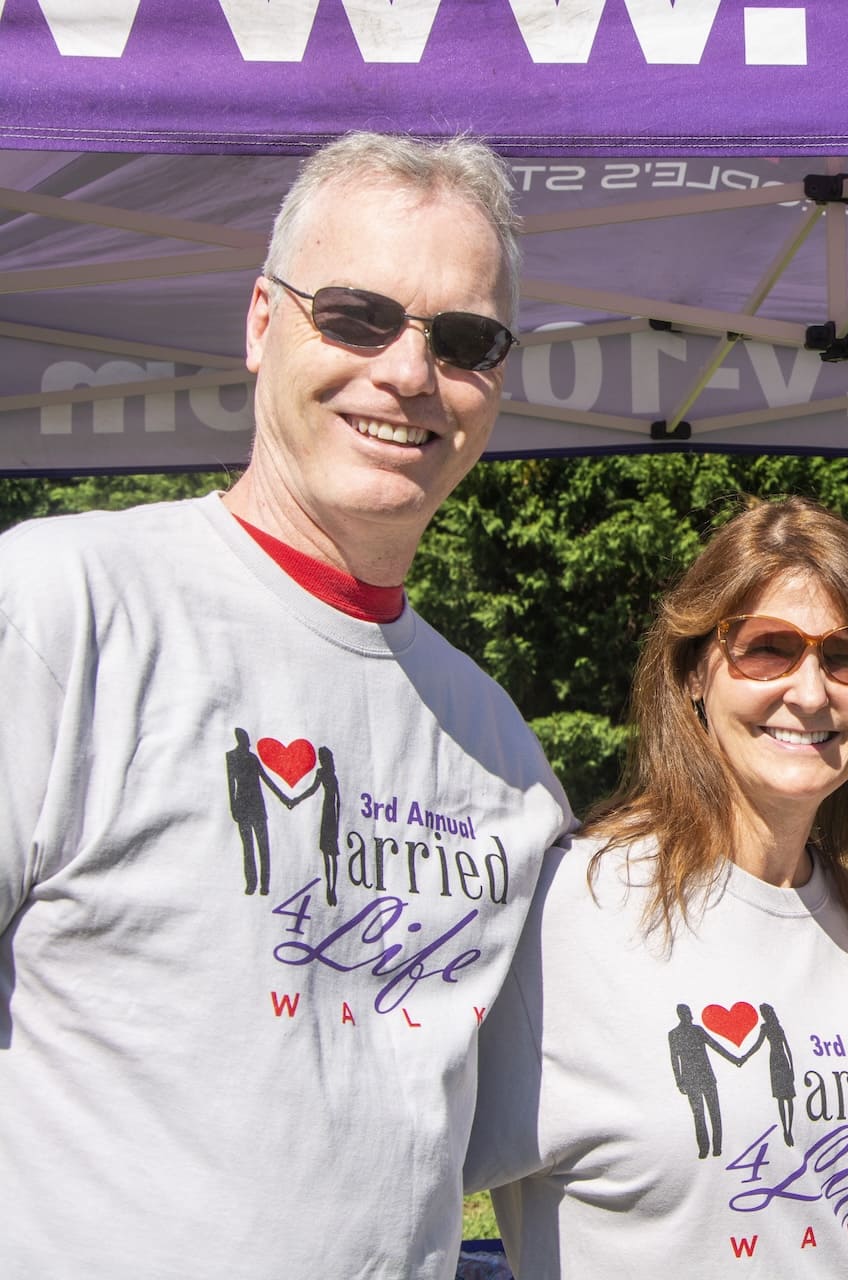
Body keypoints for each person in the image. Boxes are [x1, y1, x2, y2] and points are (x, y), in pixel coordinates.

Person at [0, 132, 570, 1275]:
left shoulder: (503, 754)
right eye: (358, 316)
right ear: (263, 322)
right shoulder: (61, 610)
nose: (408, 372)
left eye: (464, 340)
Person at [466, 497, 848, 1279]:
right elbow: (393, 1177)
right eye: (768, 649)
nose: (811, 692)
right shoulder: (567, 910)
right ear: (694, 670)